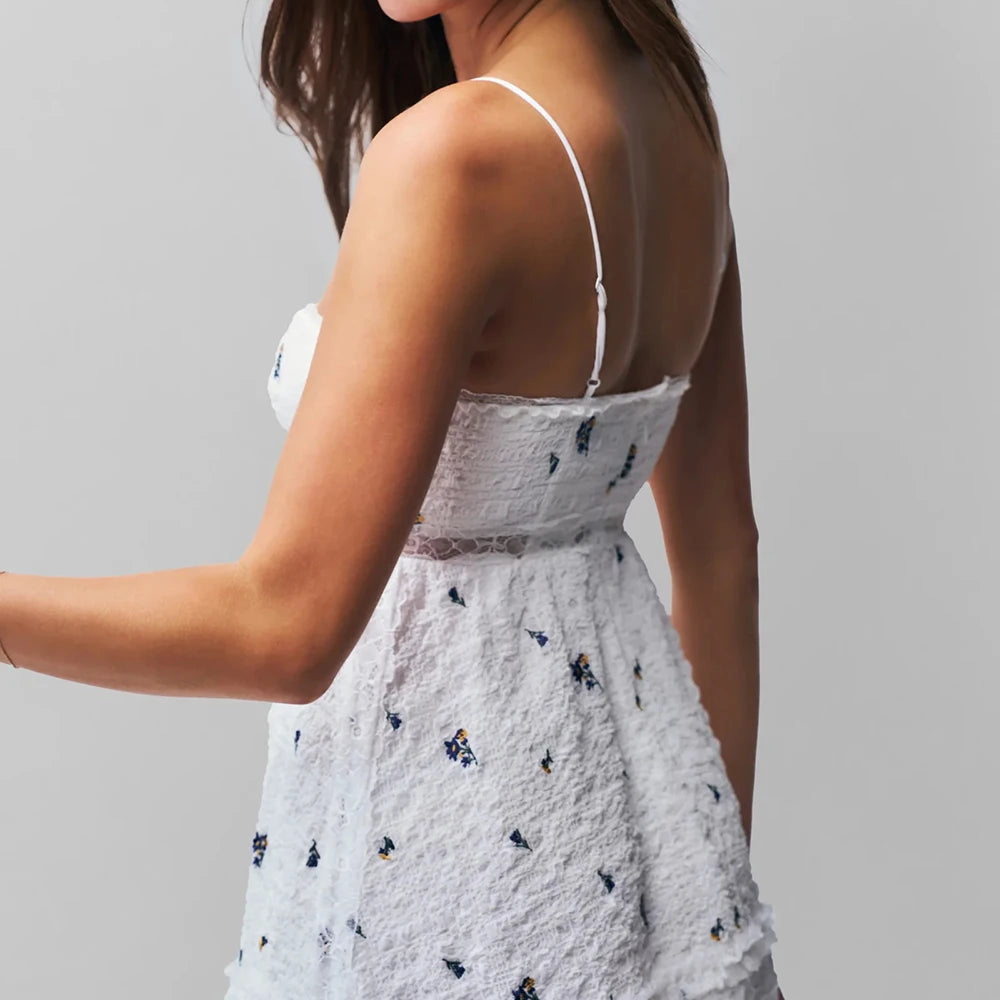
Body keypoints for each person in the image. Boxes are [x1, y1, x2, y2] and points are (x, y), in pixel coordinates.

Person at [0, 0, 786, 997]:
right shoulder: (679, 123)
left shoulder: (458, 157)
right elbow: (723, 560)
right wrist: (700, 902)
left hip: (439, 873)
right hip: (634, 870)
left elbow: (286, 628)